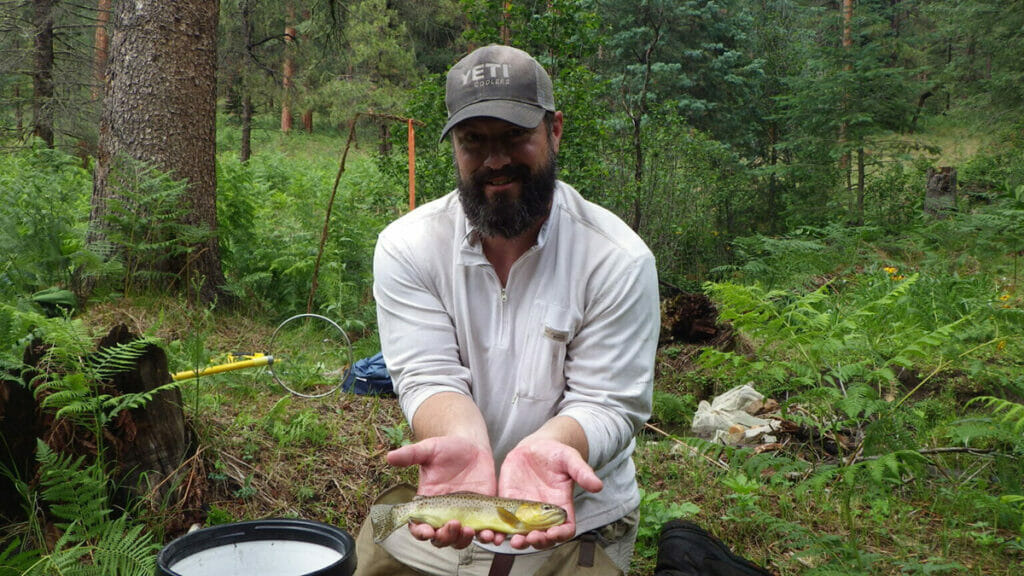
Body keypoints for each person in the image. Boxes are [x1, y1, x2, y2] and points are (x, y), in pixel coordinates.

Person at [354, 44, 660, 576]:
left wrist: (552, 447)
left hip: (578, 515)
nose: (496, 160)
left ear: (555, 130)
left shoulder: (618, 258)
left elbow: (611, 402)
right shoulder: (407, 246)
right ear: (454, 147)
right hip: (454, 490)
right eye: (475, 142)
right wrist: (461, 440)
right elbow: (427, 376)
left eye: (515, 136)